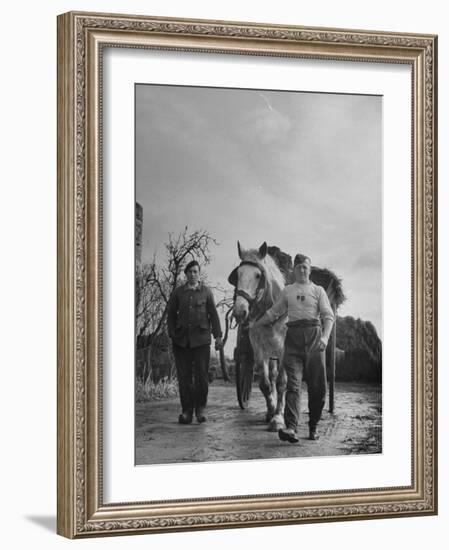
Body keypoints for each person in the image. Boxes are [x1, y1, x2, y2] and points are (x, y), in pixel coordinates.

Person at [252, 253, 334, 443]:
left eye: (305, 267)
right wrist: (257, 324)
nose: (302, 270)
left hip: (314, 338)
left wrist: (325, 337)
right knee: (293, 385)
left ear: (309, 269)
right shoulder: (288, 291)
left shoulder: (318, 291)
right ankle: (290, 427)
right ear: (294, 270)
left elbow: (328, 316)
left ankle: (313, 426)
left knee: (317, 387)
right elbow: (274, 312)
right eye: (298, 267)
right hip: (293, 340)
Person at [167, 260, 223, 424]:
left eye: (195, 271)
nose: (193, 274)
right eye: (190, 271)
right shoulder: (178, 293)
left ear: (199, 274)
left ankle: (200, 409)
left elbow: (213, 315)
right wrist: (172, 333)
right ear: (186, 274)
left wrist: (218, 336)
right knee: (184, 378)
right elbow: (171, 315)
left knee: (201, 377)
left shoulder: (206, 292)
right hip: (181, 342)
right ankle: (186, 411)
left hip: (201, 341)